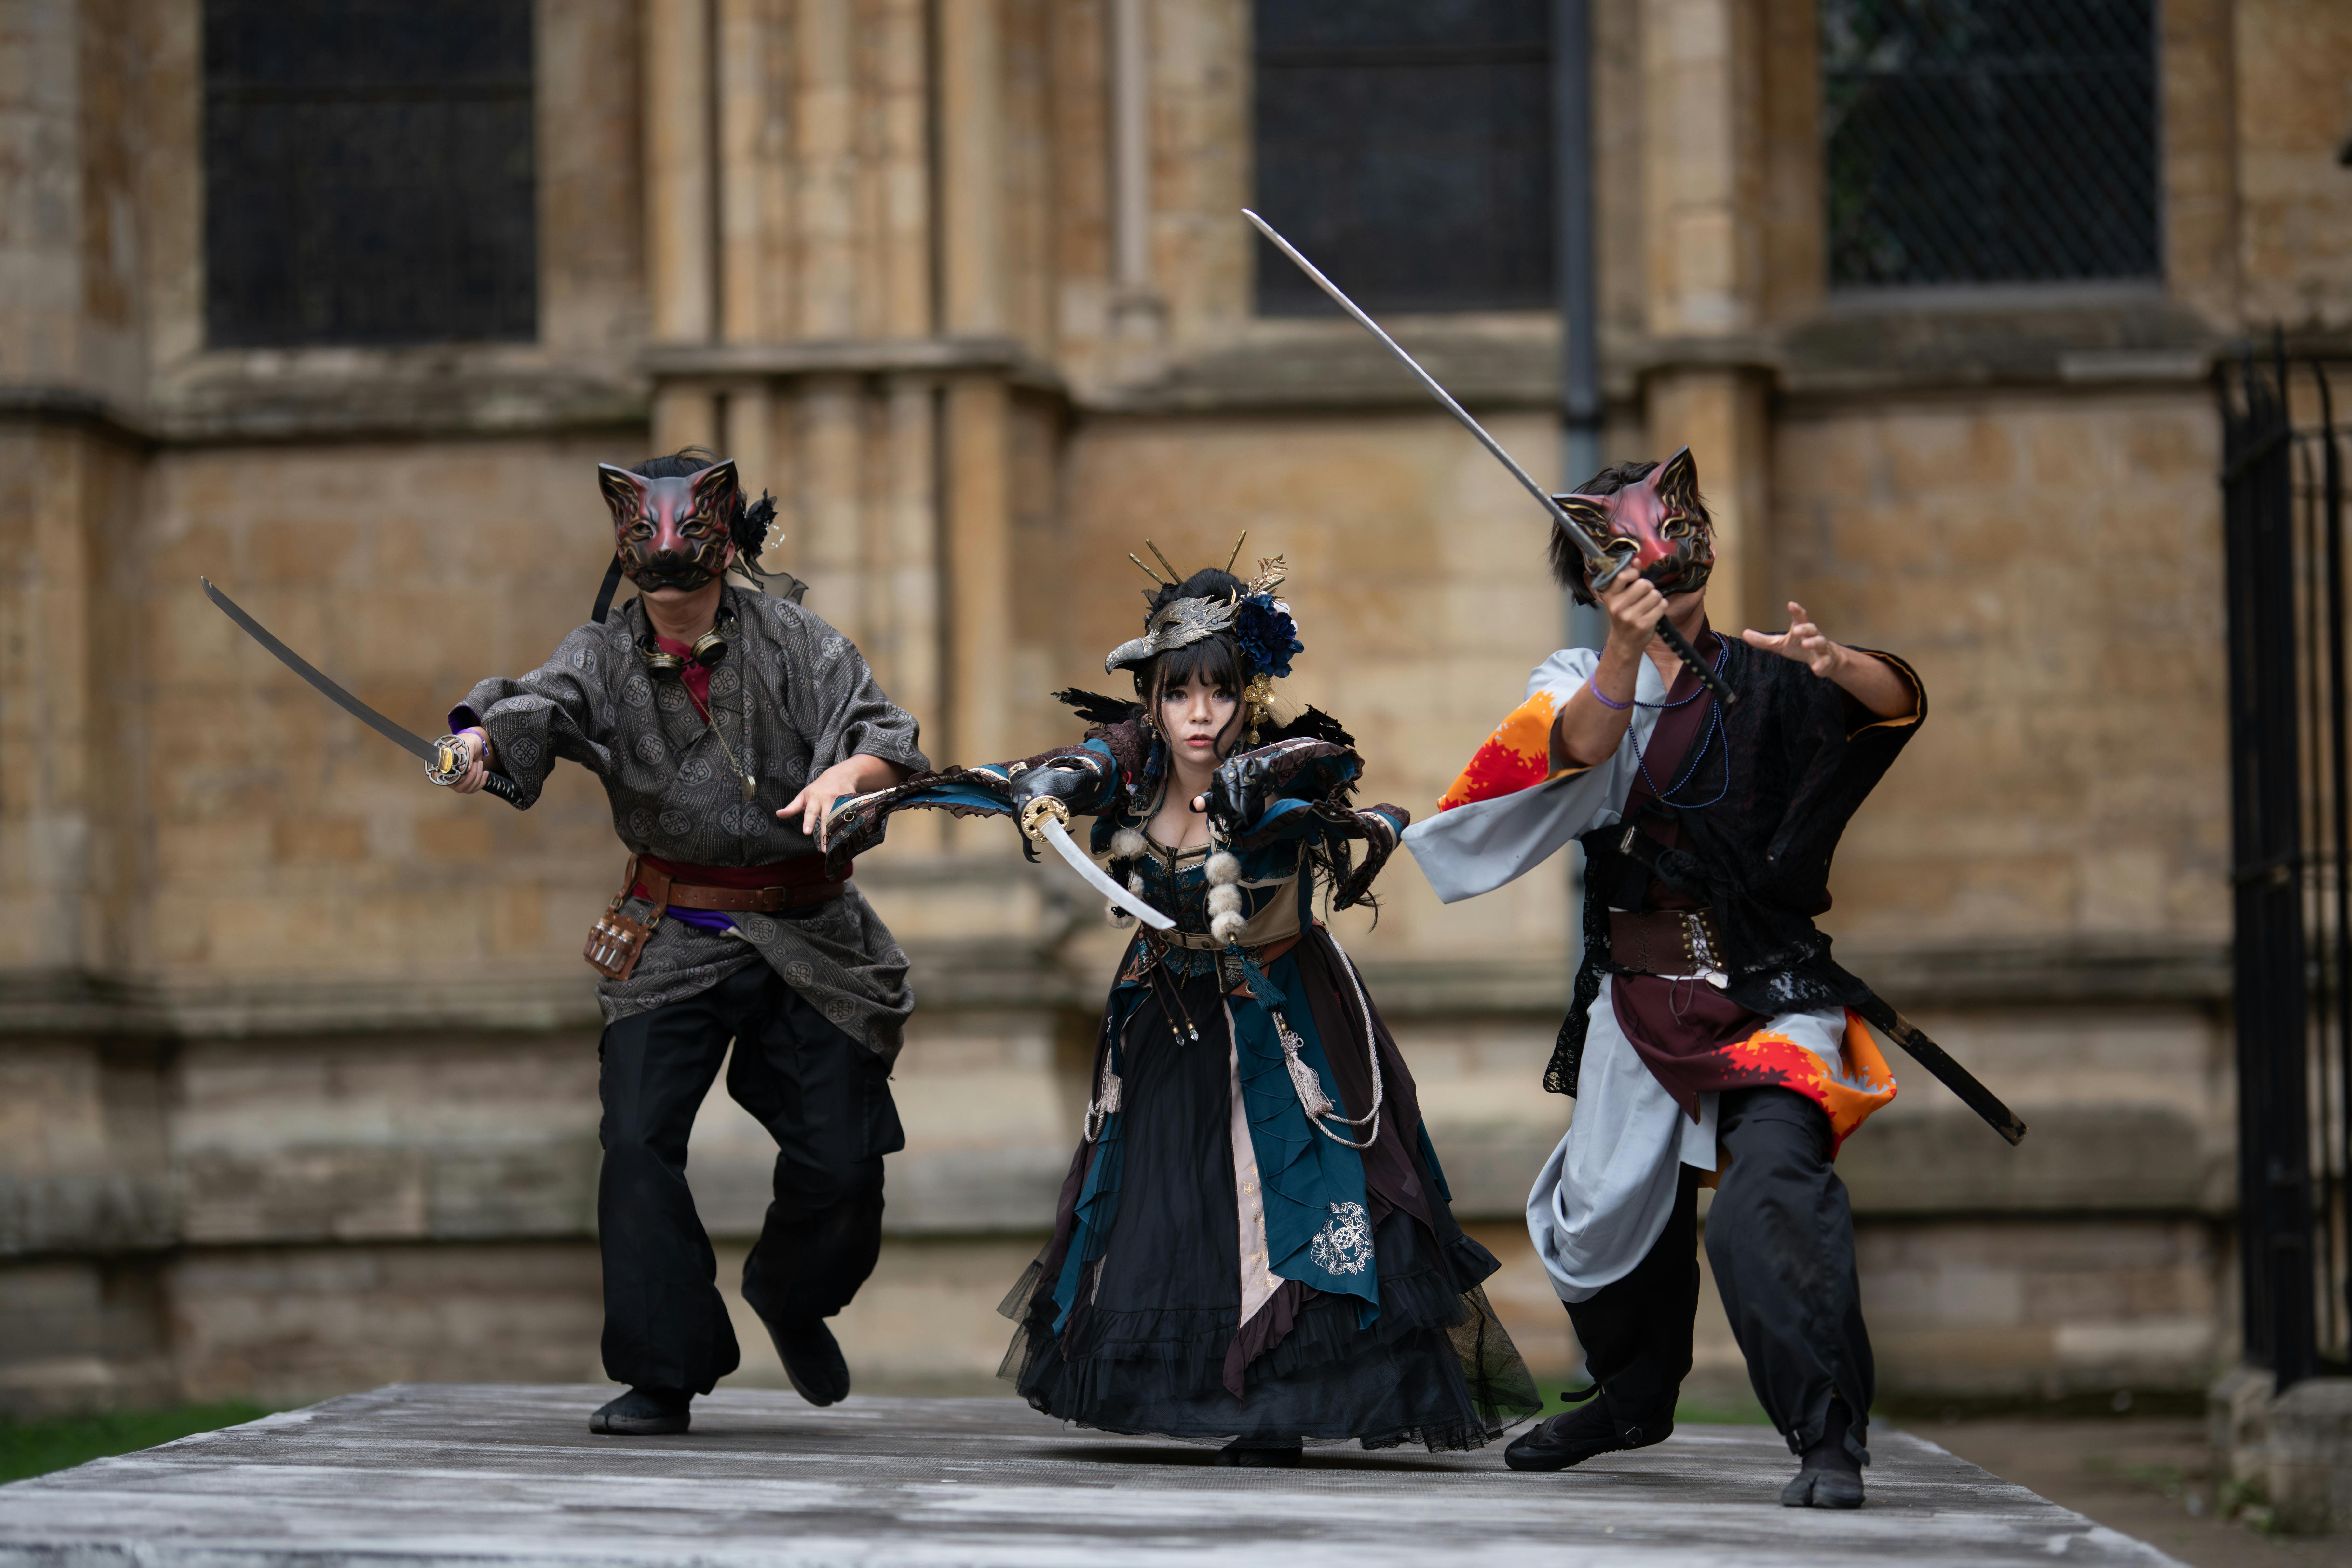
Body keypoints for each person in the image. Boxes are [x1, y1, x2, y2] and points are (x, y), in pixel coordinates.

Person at [825, 546, 1540, 1464]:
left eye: (1218, 691)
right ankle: (1201, 1392)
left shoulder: (1284, 764)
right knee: (1169, 1206)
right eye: (1177, 693)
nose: (1199, 713)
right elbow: (1045, 770)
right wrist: (898, 793)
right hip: (1164, 1018)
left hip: (1280, 1015)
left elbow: (1333, 770)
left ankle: (1280, 1404)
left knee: (1284, 1194)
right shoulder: (1128, 769)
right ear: (1153, 699)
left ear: (1250, 692)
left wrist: (1268, 793)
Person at [1400, 449, 1924, 1509]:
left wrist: (1837, 662)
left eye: (1675, 531)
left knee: (1764, 1202)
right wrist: (1624, 656)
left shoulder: (1774, 676)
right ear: (1598, 572)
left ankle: (1830, 1437)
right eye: (1636, 544)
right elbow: (1567, 749)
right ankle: (1635, 1399)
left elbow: (1897, 703)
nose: (1664, 556)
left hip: (1771, 998)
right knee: (1594, 1224)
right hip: (1641, 1002)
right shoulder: (1580, 682)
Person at [442, 448, 926, 1435]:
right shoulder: (601, 652)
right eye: (658, 591)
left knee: (842, 1160)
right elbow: (536, 705)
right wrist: (479, 745)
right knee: (635, 1142)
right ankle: (665, 1368)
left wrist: (854, 775)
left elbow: (886, 731)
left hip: (809, 931)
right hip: (672, 931)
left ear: (722, 556)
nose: (676, 608)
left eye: (693, 586)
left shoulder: (796, 640)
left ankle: (791, 1292)